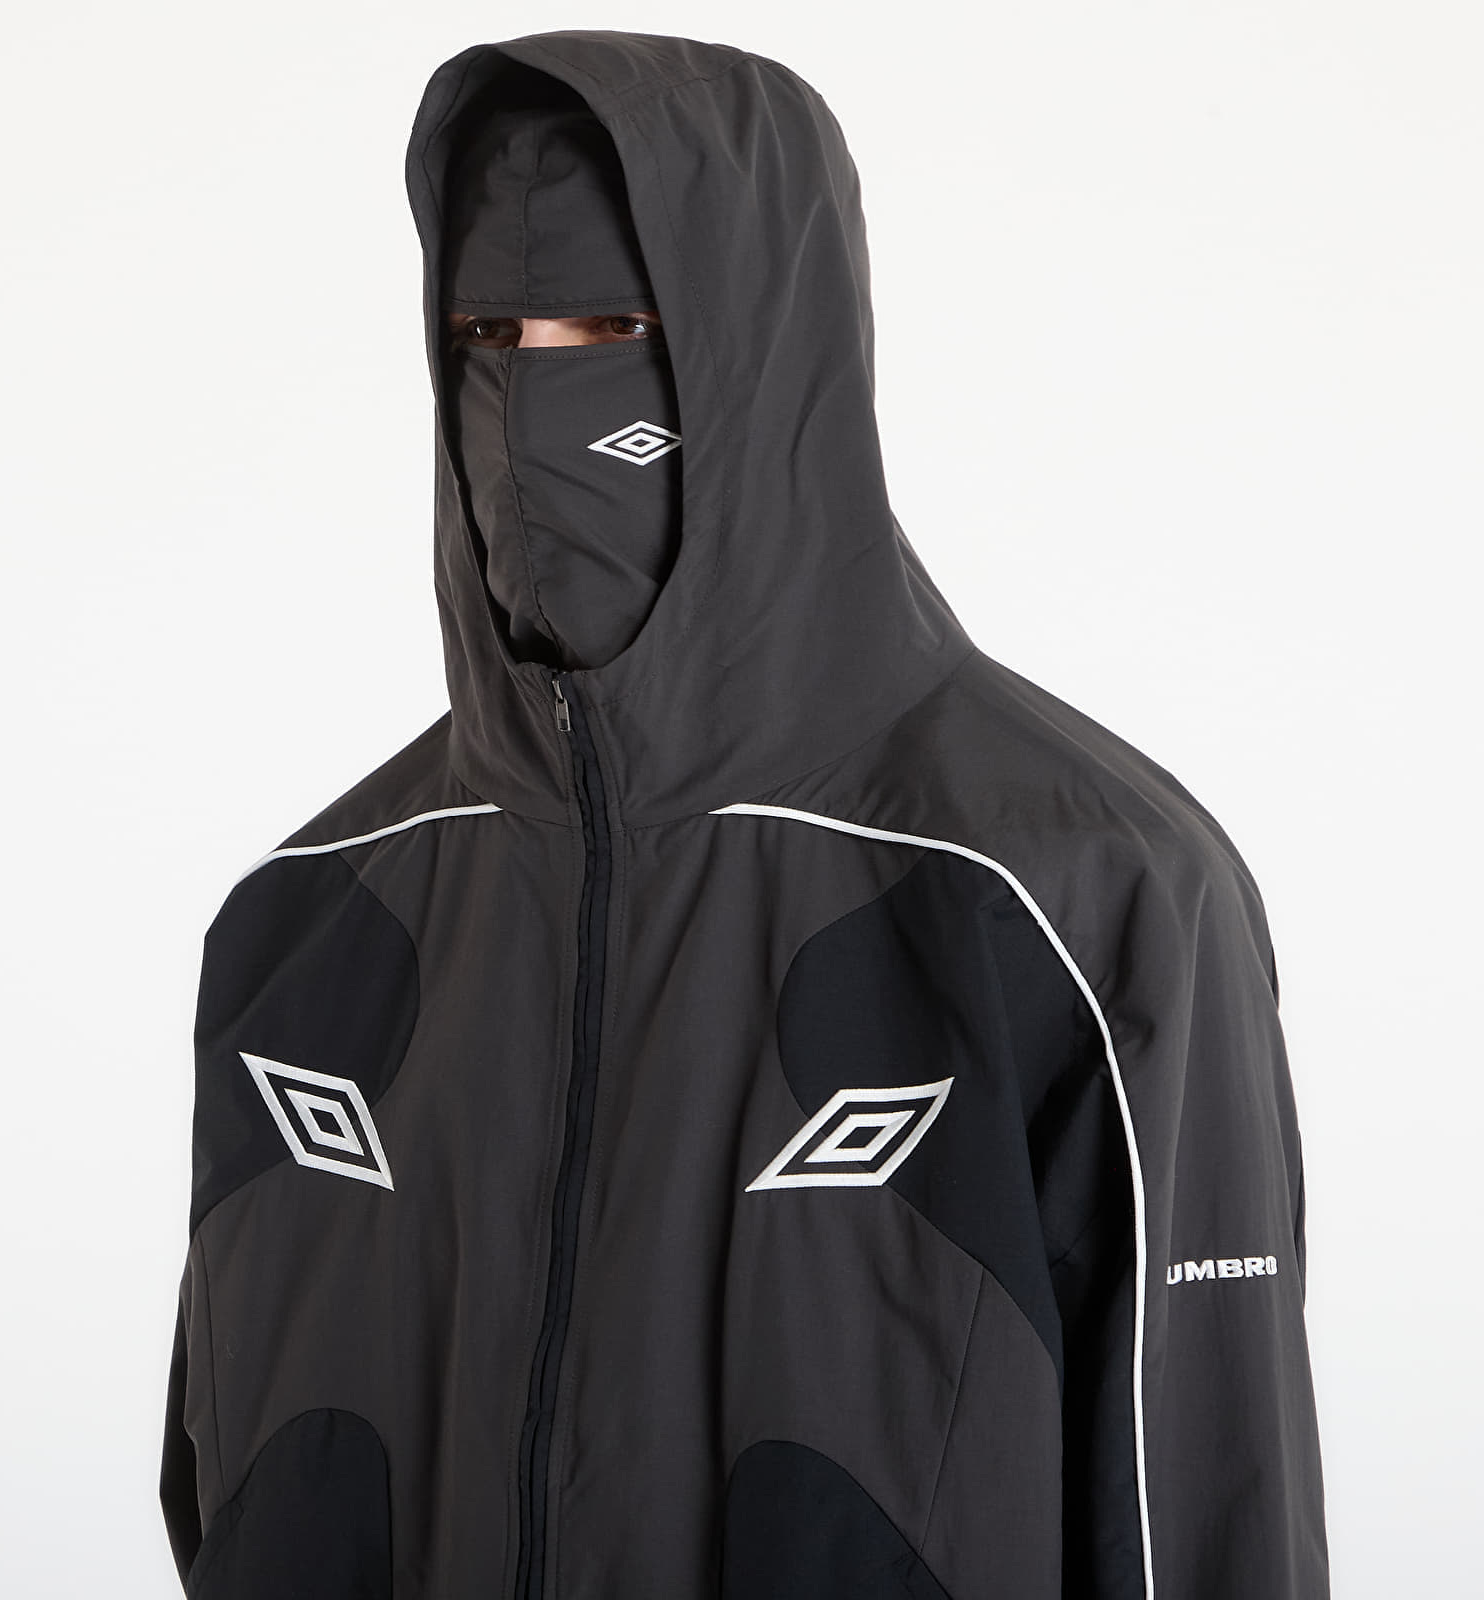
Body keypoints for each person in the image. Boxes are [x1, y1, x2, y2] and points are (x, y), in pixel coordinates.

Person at [159, 30, 1330, 1600]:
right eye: (489, 335)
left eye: (613, 330)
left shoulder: (1073, 884)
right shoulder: (317, 917)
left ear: (769, 360)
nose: (533, 398)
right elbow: (222, 1494)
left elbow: (1202, 1508)